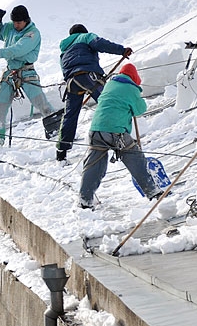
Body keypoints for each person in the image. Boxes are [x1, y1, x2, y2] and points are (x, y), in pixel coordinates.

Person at [78, 63, 162, 208]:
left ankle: (84, 200)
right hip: (115, 132)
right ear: (134, 78)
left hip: (96, 131)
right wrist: (138, 96)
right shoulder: (131, 88)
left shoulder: (109, 85)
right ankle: (153, 192)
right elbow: (140, 109)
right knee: (135, 158)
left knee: (94, 165)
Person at [0, 5, 56, 144]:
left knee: (41, 104)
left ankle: (56, 131)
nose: (16, 25)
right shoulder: (11, 28)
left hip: (26, 72)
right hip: (10, 73)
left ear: (26, 21)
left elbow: (17, 50)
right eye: (14, 22)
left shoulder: (33, 34)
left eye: (19, 23)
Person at [56, 24, 133, 161]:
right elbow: (101, 44)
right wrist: (122, 50)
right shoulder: (85, 36)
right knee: (109, 104)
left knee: (70, 115)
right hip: (88, 76)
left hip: (72, 82)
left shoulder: (64, 50)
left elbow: (66, 69)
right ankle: (119, 139)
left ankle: (61, 151)